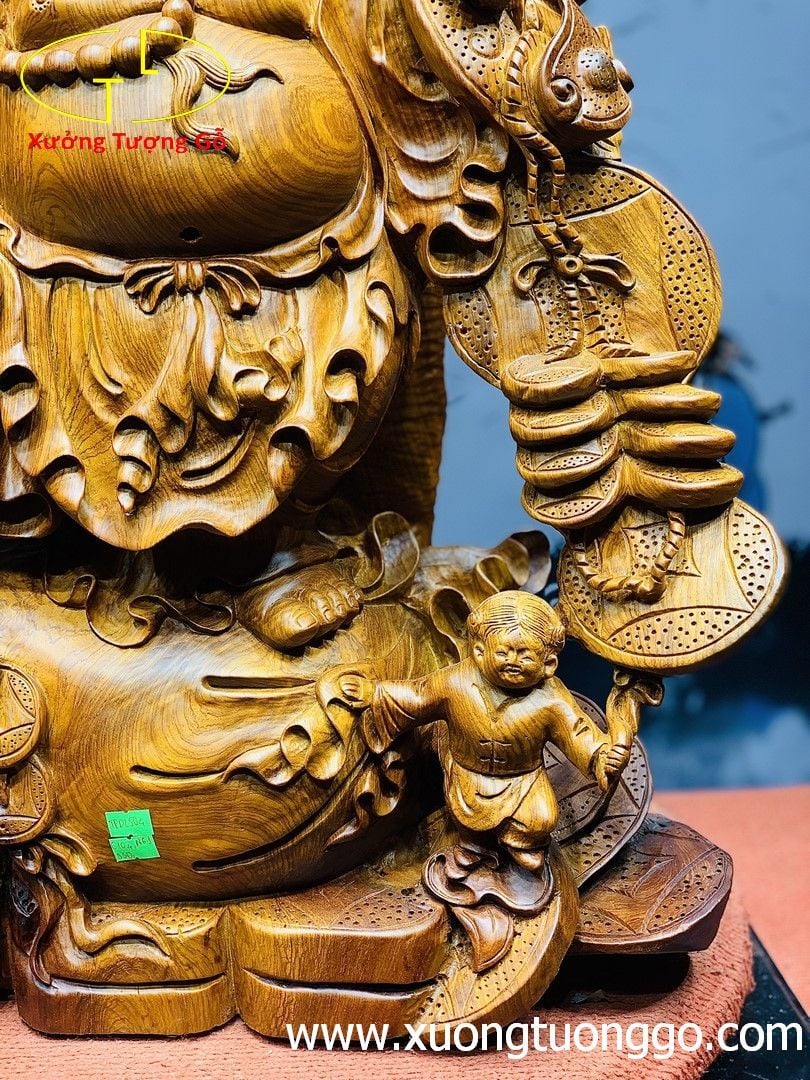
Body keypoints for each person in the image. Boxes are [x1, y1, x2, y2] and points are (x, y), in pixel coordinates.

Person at [339, 591, 632, 874]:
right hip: (468, 773)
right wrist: (375, 693)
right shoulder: (455, 681)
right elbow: (417, 695)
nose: (513, 661)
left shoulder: (552, 698)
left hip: (523, 780)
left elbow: (578, 731)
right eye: (503, 652)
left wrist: (600, 756)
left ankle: (520, 843)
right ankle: (472, 845)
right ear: (479, 652)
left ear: (548, 665)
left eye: (525, 656)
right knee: (466, 819)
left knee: (542, 819)